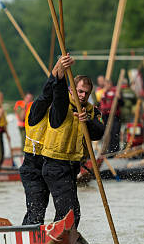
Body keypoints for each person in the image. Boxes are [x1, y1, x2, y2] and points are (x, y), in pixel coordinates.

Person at [41, 59, 104, 228]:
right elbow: (58, 91)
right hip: (54, 164)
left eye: (86, 93)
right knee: (69, 213)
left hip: (72, 167)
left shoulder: (91, 110)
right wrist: (60, 71)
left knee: (72, 213)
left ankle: (62, 242)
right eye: (80, 91)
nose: (82, 96)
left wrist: (88, 121)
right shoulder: (62, 103)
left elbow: (99, 132)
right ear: (72, 89)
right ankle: (58, 243)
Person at [20, 56, 73, 225]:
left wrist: (61, 77)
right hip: (33, 167)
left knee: (68, 211)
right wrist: (56, 73)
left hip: (53, 166)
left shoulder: (60, 114)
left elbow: (60, 100)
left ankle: (60, 238)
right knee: (35, 213)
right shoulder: (35, 111)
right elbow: (46, 96)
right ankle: (28, 236)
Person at [99, 80, 122, 153]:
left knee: (114, 133)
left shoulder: (116, 91)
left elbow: (122, 103)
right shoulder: (103, 92)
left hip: (115, 116)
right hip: (106, 116)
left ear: (110, 84)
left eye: (107, 84)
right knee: (106, 132)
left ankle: (115, 150)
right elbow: (100, 103)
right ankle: (107, 149)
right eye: (105, 85)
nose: (106, 86)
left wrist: (119, 98)